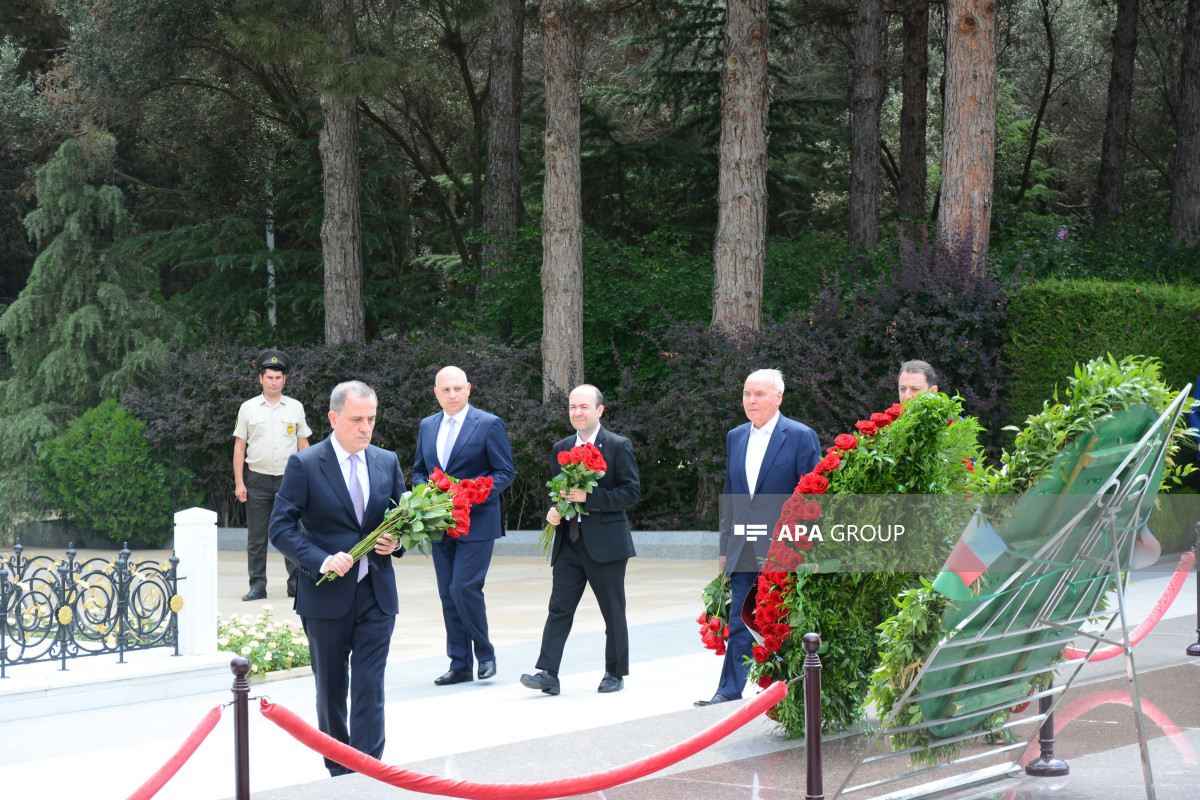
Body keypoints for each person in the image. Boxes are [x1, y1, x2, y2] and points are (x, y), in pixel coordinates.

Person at [268, 381, 406, 776]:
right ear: (333, 418)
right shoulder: (306, 464)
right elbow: (281, 529)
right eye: (357, 419)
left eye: (372, 419)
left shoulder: (386, 461)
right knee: (331, 692)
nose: (366, 428)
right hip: (325, 598)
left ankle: (367, 771)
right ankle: (340, 772)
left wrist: (395, 543)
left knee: (369, 687)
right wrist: (321, 560)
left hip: (377, 595)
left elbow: (402, 523)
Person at [695, 369, 821, 707]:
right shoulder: (735, 436)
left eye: (760, 394)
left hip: (785, 548)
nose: (752, 400)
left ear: (778, 397)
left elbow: (814, 497)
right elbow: (731, 494)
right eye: (747, 394)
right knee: (739, 619)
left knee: (784, 621)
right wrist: (726, 548)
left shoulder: (800, 436)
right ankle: (728, 691)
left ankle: (793, 694)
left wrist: (805, 547)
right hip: (743, 544)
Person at [520, 385, 641, 696]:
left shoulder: (617, 446)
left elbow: (631, 492)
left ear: (599, 410)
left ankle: (615, 672)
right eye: (573, 407)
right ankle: (548, 672)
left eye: (584, 407)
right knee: (559, 609)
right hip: (568, 545)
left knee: (613, 611)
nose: (577, 412)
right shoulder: (561, 448)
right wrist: (552, 511)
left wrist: (590, 497)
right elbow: (557, 493)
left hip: (606, 546)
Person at [412, 366, 515, 686]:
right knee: (447, 593)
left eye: (458, 388)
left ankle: (484, 653)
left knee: (463, 587)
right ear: (436, 393)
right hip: (439, 522)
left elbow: (504, 472)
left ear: (468, 389)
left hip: (477, 521)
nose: (452, 395)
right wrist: (425, 495)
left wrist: (470, 494)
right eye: (446, 390)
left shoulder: (488, 424)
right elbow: (419, 470)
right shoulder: (427, 426)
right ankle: (459, 663)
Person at [233, 349, 311, 601]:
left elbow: (303, 444)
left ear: (285, 379)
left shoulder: (296, 407)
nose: (274, 382)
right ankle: (257, 586)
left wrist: (311, 480)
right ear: (261, 379)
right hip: (257, 479)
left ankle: (296, 583)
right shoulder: (248, 408)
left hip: (290, 480)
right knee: (256, 537)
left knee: (293, 533)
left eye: (278, 378)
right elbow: (239, 446)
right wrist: (239, 482)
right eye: (269, 377)